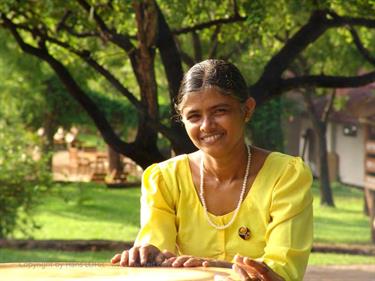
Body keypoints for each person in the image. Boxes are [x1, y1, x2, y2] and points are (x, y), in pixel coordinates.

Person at [111, 59, 313, 281]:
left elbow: (283, 272)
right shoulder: (164, 179)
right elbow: (160, 259)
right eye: (194, 116)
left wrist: (219, 270)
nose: (207, 125)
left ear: (247, 109)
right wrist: (147, 256)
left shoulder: (286, 175)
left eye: (220, 111)